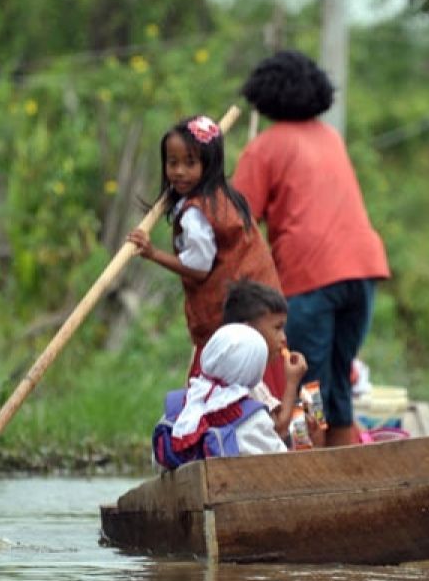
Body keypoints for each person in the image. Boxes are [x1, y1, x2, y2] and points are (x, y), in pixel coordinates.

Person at [233, 51, 390, 447]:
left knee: (308, 387)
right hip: (363, 271)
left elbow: (236, 221)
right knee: (337, 382)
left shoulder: (264, 148)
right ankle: (345, 478)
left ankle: (313, 484)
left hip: (311, 275)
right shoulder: (329, 138)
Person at [128, 115, 282, 372]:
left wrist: (152, 253)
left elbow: (199, 268)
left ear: (208, 164)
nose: (179, 172)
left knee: (223, 389)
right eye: (172, 162)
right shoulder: (223, 196)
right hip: (259, 311)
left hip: (233, 322)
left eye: (190, 163)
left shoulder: (197, 212)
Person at [152, 323, 287, 470]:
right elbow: (281, 460)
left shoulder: (180, 408)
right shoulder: (253, 418)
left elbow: (156, 461)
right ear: (254, 370)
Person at [222, 279, 325, 446]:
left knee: (312, 414)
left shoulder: (228, 371)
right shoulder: (247, 380)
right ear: (248, 331)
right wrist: (292, 382)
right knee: (313, 423)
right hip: (252, 460)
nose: (284, 338)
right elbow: (279, 428)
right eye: (277, 328)